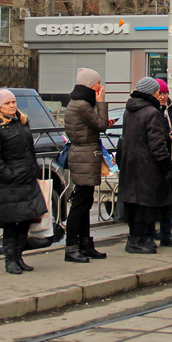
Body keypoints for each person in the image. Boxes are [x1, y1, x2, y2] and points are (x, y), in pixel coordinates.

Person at [0, 89, 48, 275]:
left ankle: (19, 257)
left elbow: (30, 150)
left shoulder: (22, 121)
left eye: (13, 102)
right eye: (7, 103)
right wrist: (9, 174)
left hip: (27, 179)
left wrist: (34, 170)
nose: (12, 106)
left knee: (26, 219)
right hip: (10, 183)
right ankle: (10, 260)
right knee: (12, 222)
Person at [117, 77, 172, 253]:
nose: (159, 95)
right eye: (157, 92)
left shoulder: (129, 111)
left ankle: (133, 239)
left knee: (134, 204)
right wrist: (166, 167)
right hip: (147, 166)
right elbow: (157, 144)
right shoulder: (151, 112)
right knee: (145, 206)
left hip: (130, 163)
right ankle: (137, 241)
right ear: (151, 93)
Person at [63, 67, 111, 263]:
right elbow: (101, 124)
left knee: (85, 201)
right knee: (80, 204)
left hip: (84, 154)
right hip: (84, 155)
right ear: (91, 85)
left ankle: (84, 244)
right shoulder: (83, 105)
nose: (101, 86)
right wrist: (101, 104)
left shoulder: (78, 103)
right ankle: (72, 247)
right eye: (98, 83)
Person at [144, 78, 172, 247]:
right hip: (157, 164)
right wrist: (167, 136)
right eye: (160, 93)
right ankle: (150, 233)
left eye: (165, 93)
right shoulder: (152, 111)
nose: (162, 97)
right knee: (155, 200)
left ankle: (166, 235)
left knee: (169, 201)